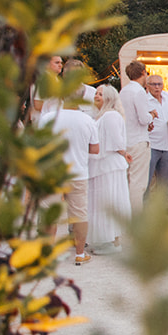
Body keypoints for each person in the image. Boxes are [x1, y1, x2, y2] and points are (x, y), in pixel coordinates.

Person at [52, 93, 100, 264]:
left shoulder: (48, 118)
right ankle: (80, 254)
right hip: (78, 172)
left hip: (53, 172)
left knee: (49, 213)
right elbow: (95, 149)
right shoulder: (87, 120)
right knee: (79, 214)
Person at [87, 85, 130, 256]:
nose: (96, 96)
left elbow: (117, 141)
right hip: (101, 165)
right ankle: (103, 239)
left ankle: (111, 239)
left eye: (100, 94)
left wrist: (124, 153)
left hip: (109, 166)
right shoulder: (101, 116)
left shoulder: (111, 115)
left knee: (108, 200)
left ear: (109, 98)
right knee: (100, 201)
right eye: (96, 93)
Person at [120, 61, 155, 214]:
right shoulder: (139, 92)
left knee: (128, 180)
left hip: (126, 139)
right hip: (139, 141)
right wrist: (152, 115)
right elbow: (143, 118)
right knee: (138, 183)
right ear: (142, 73)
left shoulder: (123, 91)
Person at [143, 73, 168, 200]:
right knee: (147, 179)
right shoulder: (145, 100)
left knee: (165, 180)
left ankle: (163, 206)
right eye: (153, 84)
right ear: (147, 86)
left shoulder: (166, 97)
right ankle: (145, 206)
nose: (157, 87)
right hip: (151, 144)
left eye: (159, 84)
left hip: (166, 144)